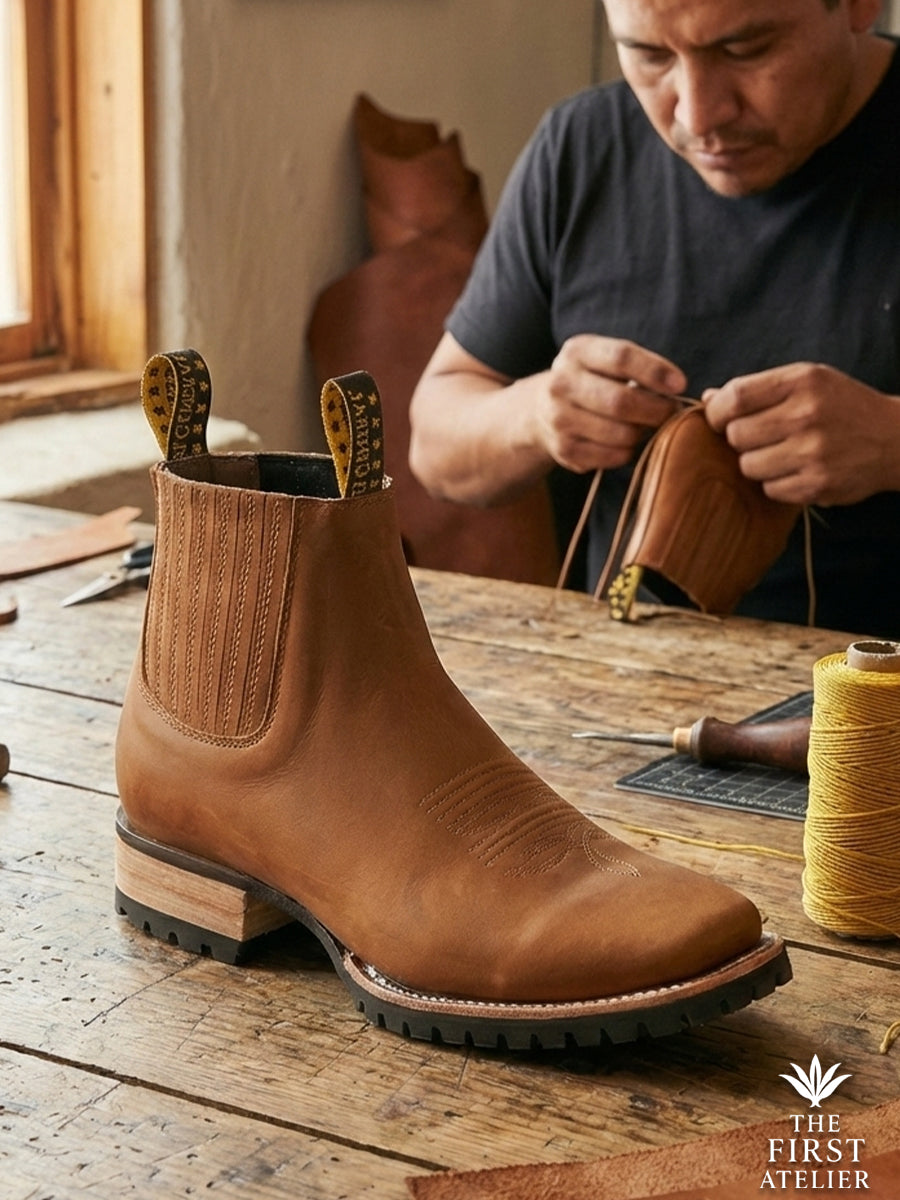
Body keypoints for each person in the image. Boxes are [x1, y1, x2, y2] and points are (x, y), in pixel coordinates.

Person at [408, 0, 900, 638]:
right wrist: (536, 415)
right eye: (650, 55)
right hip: (632, 679)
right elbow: (435, 443)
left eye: (745, 50)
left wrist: (889, 443)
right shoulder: (582, 149)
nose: (698, 115)